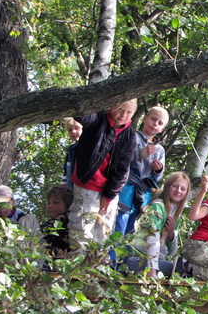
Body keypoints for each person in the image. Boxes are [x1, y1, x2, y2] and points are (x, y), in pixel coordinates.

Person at [69, 99, 138, 247]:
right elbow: (81, 114)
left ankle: (98, 261)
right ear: (111, 105)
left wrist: (109, 195)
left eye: (129, 112)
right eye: (120, 109)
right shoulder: (98, 119)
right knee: (82, 231)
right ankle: (78, 261)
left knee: (103, 234)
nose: (123, 115)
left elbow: (123, 169)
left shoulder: (130, 135)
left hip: (109, 191)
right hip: (87, 184)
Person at [123, 172, 190, 277]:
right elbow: (152, 239)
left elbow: (171, 253)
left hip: (157, 261)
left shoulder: (176, 214)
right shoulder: (157, 207)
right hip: (137, 259)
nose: (178, 191)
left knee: (186, 269)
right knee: (181, 271)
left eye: (183, 189)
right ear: (167, 187)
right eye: (175, 186)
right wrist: (152, 268)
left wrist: (171, 235)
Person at [115, 106, 168, 235]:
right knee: (118, 226)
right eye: (153, 119)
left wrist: (158, 170)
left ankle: (124, 249)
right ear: (145, 118)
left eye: (160, 123)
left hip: (143, 195)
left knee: (132, 230)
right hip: (126, 189)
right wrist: (140, 153)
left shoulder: (160, 150)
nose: (155, 124)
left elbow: (158, 177)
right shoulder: (132, 136)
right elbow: (119, 157)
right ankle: (112, 249)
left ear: (162, 129)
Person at [41, 185, 74, 255]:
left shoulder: (66, 219)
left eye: (55, 202)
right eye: (49, 203)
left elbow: (44, 230)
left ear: (67, 205)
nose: (49, 206)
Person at [62, 117, 83, 190]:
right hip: (72, 188)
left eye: (77, 128)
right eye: (70, 130)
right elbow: (67, 171)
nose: (73, 131)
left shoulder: (92, 147)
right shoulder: (71, 150)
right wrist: (63, 188)